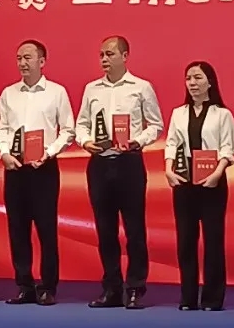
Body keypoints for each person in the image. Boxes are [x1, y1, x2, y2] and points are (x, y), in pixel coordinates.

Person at [75, 35, 163, 310]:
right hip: (100, 164)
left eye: (110, 54)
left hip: (129, 163)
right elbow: (81, 124)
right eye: (101, 54)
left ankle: (135, 288)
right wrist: (85, 142)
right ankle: (111, 288)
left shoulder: (141, 87)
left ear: (125, 56)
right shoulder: (92, 89)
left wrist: (138, 141)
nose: (104, 59)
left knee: (134, 229)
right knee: (105, 230)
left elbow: (156, 125)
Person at [0, 39, 75, 306]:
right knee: (17, 229)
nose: (22, 63)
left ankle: (48, 286)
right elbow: (3, 128)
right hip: (15, 168)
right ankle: (24, 285)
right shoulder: (9, 93)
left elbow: (68, 130)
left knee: (46, 229)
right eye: (19, 58)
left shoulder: (56, 92)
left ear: (42, 61)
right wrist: (4, 153)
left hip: (44, 169)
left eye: (28, 58)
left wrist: (49, 152)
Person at [163, 61, 234, 311]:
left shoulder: (222, 114)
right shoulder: (178, 113)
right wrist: (169, 169)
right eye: (188, 78)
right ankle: (188, 297)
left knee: (213, 240)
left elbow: (227, 148)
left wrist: (217, 173)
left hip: (212, 181)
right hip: (184, 181)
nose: (192, 83)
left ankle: (213, 298)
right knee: (185, 240)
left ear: (210, 82)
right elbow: (171, 144)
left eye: (198, 78)